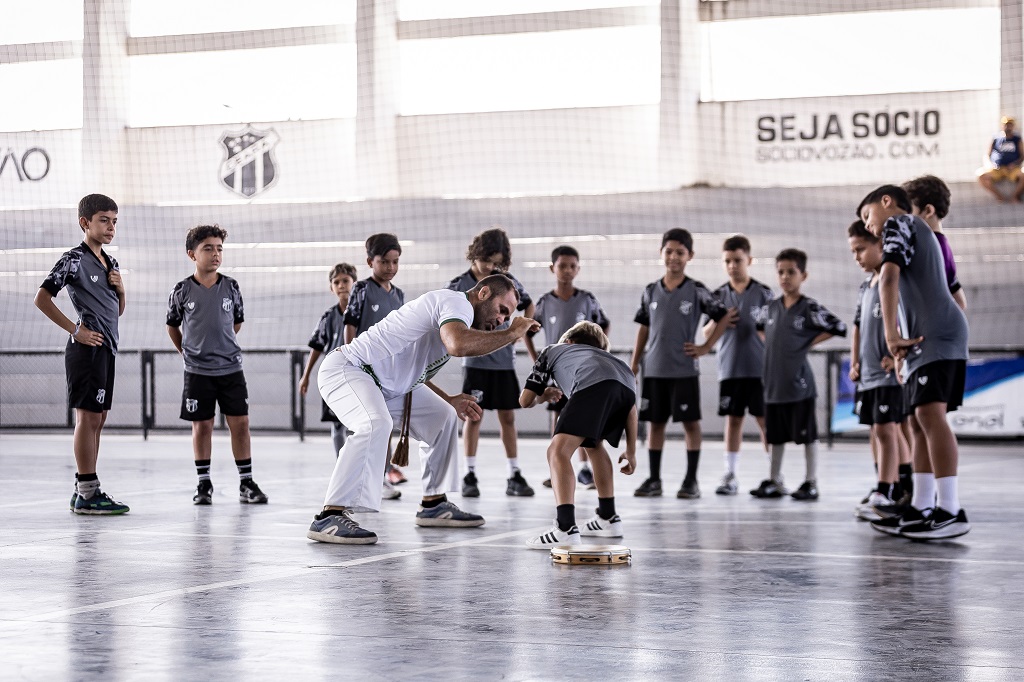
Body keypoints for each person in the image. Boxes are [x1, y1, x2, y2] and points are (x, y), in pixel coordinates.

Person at [308, 274, 540, 545]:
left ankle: (433, 503)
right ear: (484, 293)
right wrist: (512, 333)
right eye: (502, 310)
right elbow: (458, 345)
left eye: (507, 317)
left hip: (388, 386)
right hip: (349, 369)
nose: (502, 320)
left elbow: (415, 372)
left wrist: (449, 399)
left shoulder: (456, 314)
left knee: (443, 417)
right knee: (375, 423)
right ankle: (329, 515)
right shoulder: (457, 303)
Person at [858, 185, 971, 540]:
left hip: (937, 338)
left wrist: (891, 337)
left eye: (867, 216)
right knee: (916, 421)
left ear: (886, 202)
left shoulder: (901, 223)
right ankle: (921, 505)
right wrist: (903, 350)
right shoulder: (916, 234)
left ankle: (950, 510)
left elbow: (888, 277)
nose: (868, 226)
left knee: (930, 417)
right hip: (925, 340)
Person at [34, 194, 129, 515]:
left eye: (114, 221)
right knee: (87, 418)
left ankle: (86, 489)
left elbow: (117, 310)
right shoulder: (73, 259)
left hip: (107, 348)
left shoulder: (111, 263)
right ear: (85, 222)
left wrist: (121, 289)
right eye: (104, 220)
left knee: (98, 418)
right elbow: (42, 298)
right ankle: (88, 492)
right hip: (86, 350)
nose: (111, 227)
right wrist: (76, 330)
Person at [166, 225, 268, 506]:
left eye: (219, 248)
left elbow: (236, 322)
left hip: (231, 369)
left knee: (241, 423)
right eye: (208, 248)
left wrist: (221, 345)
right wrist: (186, 351)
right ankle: (204, 483)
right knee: (202, 426)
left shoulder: (231, 286)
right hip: (197, 372)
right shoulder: (182, 290)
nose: (215, 254)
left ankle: (246, 482)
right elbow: (172, 325)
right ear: (192, 254)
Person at [631, 228, 734, 500]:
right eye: (669, 251)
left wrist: (705, 347)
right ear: (661, 253)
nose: (674, 257)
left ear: (690, 256)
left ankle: (691, 480)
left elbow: (723, 316)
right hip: (655, 369)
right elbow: (644, 327)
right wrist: (635, 362)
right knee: (655, 424)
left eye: (680, 252)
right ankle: (654, 479)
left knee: (690, 424)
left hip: (684, 370)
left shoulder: (696, 290)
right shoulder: (650, 291)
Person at [519, 322, 637, 548]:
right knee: (593, 445)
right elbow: (631, 409)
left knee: (557, 451)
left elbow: (525, 400)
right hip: (625, 389)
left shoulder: (554, 350)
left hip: (592, 385)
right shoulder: (614, 361)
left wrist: (543, 396)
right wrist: (631, 451)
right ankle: (608, 518)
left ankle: (565, 528)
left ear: (569, 342)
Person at [447, 227, 536, 498]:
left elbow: (529, 303)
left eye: (496, 263)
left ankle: (514, 473)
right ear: (475, 254)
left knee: (508, 417)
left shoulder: (507, 282)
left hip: (503, 361)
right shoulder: (459, 284)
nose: (490, 267)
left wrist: (520, 331)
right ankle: (470, 473)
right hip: (475, 364)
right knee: (474, 416)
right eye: (486, 260)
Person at [752, 248, 847, 501]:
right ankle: (775, 480)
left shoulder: (808, 307)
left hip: (799, 385)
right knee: (775, 436)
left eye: (791, 272)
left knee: (807, 435)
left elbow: (838, 326)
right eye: (781, 272)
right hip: (773, 384)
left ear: (803, 275)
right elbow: (759, 328)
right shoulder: (770, 308)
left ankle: (810, 481)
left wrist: (806, 341)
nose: (785, 277)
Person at [527, 245, 610, 490]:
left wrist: (599, 354)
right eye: (562, 266)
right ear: (552, 268)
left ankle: (585, 470)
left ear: (578, 269)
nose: (567, 270)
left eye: (572, 266)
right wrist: (536, 359)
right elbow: (528, 332)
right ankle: (557, 468)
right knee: (558, 417)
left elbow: (604, 324)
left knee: (584, 417)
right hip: (557, 373)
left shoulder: (587, 299)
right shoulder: (544, 302)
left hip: (583, 373)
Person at [847, 220, 908, 520]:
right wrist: (854, 361)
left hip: (888, 375)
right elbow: (858, 327)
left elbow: (905, 319)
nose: (857, 257)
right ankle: (887, 485)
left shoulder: (893, 279)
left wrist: (897, 356)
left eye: (861, 249)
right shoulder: (865, 287)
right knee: (876, 430)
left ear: (880, 244)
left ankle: (890, 488)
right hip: (868, 376)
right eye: (853, 251)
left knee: (888, 430)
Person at [707, 235, 773, 495]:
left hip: (759, 370)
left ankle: (774, 473)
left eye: (737, 260)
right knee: (733, 421)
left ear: (749, 260)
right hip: (730, 369)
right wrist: (720, 321)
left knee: (764, 421)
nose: (732, 265)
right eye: (728, 261)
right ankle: (730, 474)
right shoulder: (717, 296)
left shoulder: (764, 293)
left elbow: (773, 329)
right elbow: (705, 332)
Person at [344, 233, 406, 495]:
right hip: (365, 370)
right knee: (369, 425)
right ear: (371, 262)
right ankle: (362, 479)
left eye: (395, 262)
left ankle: (380, 476)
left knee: (385, 425)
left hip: (389, 372)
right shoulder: (361, 290)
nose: (390, 267)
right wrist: (352, 361)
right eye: (384, 262)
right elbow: (350, 324)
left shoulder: (399, 295)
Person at [298, 263, 358, 458]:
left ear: (355, 283)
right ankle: (342, 464)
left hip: (359, 376)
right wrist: (306, 376)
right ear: (331, 288)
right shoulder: (329, 317)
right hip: (336, 378)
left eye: (345, 281)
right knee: (337, 425)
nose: (341, 285)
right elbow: (317, 346)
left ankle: (381, 468)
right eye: (336, 282)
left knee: (366, 424)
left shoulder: (364, 312)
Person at [902, 175, 966, 311]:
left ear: (928, 211)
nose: (903, 217)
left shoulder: (930, 247)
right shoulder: (940, 244)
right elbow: (960, 301)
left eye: (908, 210)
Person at [977, 116, 1024, 202]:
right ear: (1002, 126)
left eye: (1010, 125)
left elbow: (1022, 155)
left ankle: (1015, 197)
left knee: (1023, 175)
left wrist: (1015, 164)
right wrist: (990, 165)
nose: (1008, 127)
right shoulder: (996, 138)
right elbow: (987, 155)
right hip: (997, 169)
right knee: (981, 175)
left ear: (1013, 126)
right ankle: (1000, 197)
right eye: (1006, 125)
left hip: (1012, 169)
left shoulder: (1017, 139)